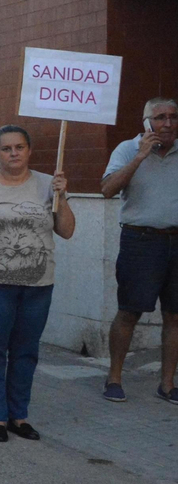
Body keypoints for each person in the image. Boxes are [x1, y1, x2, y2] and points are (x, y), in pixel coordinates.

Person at [0, 125, 75, 442]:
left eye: (19, 147)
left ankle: (18, 416)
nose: (13, 154)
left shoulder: (49, 184)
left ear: (29, 150)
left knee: (26, 351)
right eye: (6, 149)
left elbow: (67, 231)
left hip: (38, 285)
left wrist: (62, 197)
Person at [100, 98, 178, 404]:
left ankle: (167, 385)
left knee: (174, 315)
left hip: (176, 240)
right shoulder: (127, 149)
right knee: (129, 311)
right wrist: (140, 156)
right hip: (141, 241)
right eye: (160, 117)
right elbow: (107, 190)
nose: (168, 124)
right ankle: (114, 378)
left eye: (173, 117)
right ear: (146, 122)